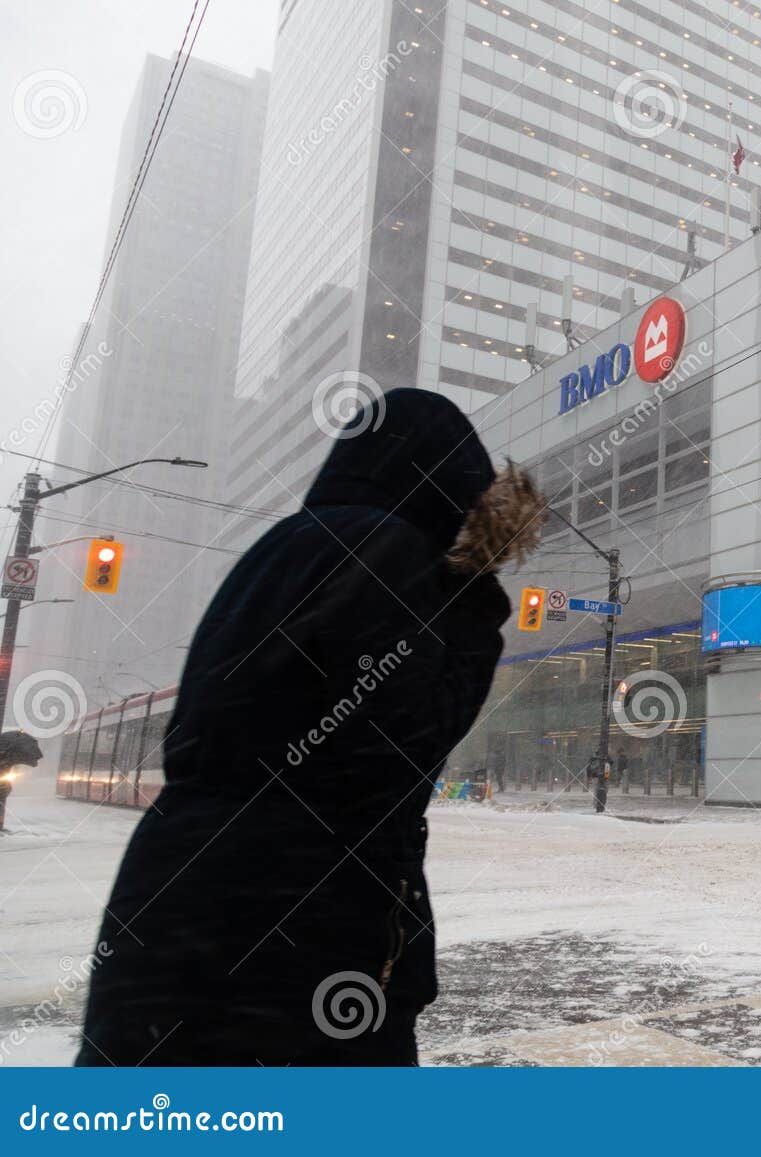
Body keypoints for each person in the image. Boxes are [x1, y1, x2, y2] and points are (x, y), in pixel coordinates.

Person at [77, 388, 544, 1066]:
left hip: (176, 897)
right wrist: (473, 608)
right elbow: (393, 757)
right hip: (298, 930)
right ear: (445, 480)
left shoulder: (283, 548)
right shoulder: (388, 550)